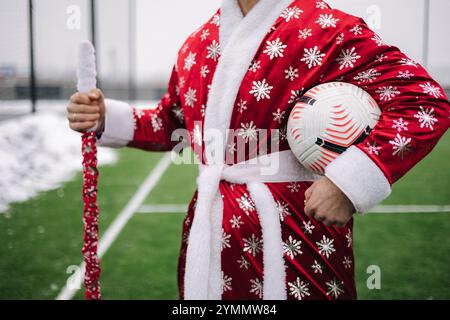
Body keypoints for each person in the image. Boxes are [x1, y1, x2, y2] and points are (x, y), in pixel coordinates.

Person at [67, 0, 450, 300]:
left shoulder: (330, 29)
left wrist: (349, 182)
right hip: (210, 233)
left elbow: (424, 102)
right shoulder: (197, 45)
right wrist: (105, 118)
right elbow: (174, 124)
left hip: (300, 234)